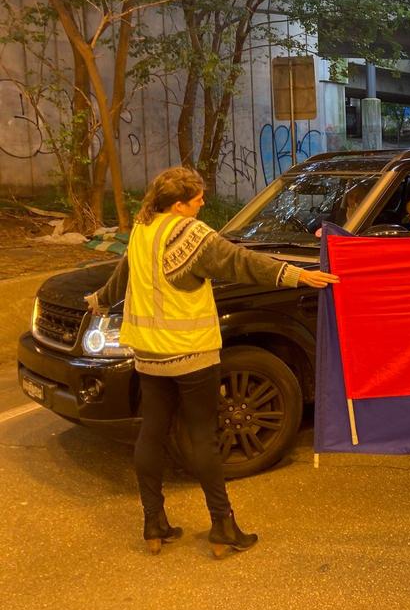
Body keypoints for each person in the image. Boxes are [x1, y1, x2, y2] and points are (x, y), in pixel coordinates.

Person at [85, 167, 338, 557]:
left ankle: (154, 523)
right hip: (191, 353)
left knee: (151, 434)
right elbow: (241, 262)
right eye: (198, 197)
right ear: (180, 203)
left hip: (149, 353)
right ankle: (223, 526)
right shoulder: (192, 235)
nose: (204, 202)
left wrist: (99, 301)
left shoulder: (143, 229)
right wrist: (296, 276)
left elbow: (124, 278)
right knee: (203, 437)